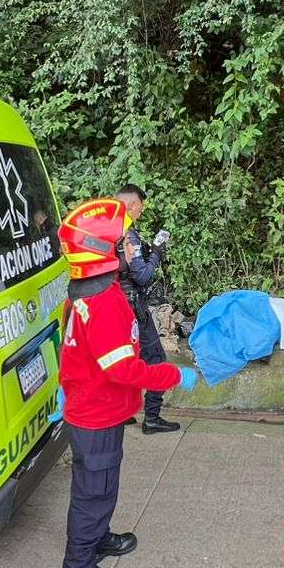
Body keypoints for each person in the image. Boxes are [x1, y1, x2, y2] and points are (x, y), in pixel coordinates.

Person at [57, 198, 199, 568]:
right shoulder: (102, 302)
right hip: (96, 415)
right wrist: (172, 375)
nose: (133, 247)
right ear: (104, 252)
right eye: (125, 244)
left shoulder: (89, 291)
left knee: (100, 488)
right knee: (93, 494)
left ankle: (98, 538)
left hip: (96, 409)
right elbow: (122, 369)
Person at [113, 184, 179, 434]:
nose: (141, 211)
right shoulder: (129, 235)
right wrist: (157, 254)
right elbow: (142, 276)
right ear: (132, 205)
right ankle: (152, 417)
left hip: (114, 305)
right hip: (133, 307)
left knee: (122, 359)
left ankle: (119, 412)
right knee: (155, 359)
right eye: (140, 206)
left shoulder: (108, 230)